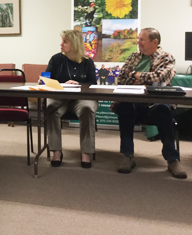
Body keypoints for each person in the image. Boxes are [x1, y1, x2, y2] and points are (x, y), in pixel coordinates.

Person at [111, 28, 186, 179]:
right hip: (133, 103)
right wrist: (144, 79)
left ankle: (172, 159)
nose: (138, 42)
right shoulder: (134, 56)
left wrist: (135, 76)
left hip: (155, 104)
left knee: (163, 109)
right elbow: (122, 79)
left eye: (142, 40)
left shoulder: (167, 58)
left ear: (154, 42)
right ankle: (127, 155)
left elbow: (160, 79)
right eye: (138, 39)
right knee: (124, 106)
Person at [45, 30, 98, 168]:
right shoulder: (55, 59)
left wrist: (79, 84)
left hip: (81, 99)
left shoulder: (87, 62)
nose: (61, 44)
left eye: (65, 42)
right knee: (51, 108)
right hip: (59, 98)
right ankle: (56, 151)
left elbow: (93, 85)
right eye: (62, 41)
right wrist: (43, 81)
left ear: (74, 44)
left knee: (87, 109)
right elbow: (45, 78)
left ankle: (86, 153)